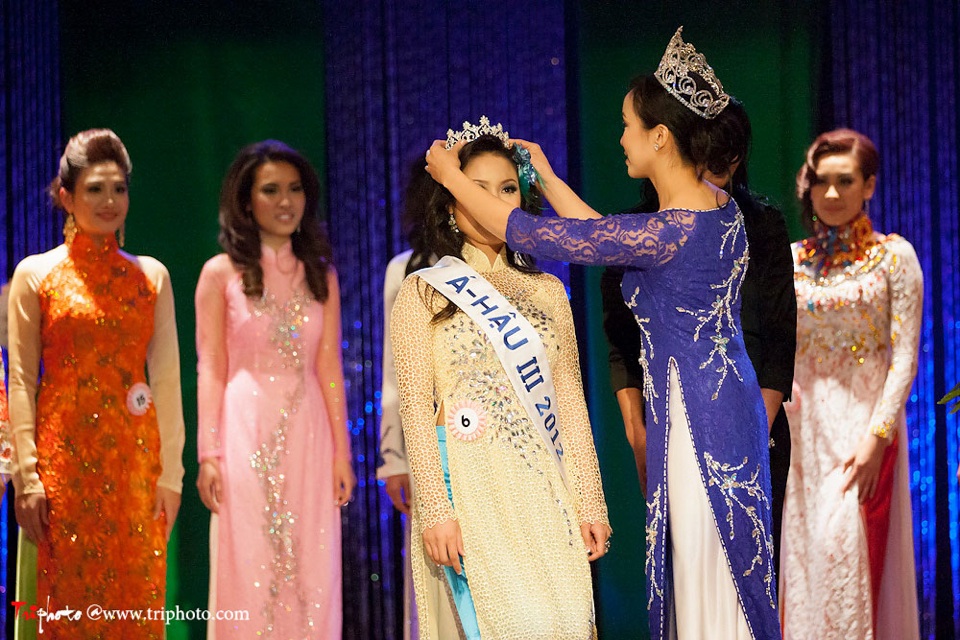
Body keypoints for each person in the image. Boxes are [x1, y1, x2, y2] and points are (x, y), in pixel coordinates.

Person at [425, 29, 781, 640]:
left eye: (626, 126)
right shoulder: (717, 211)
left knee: (708, 571)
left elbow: (541, 238)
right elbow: (606, 234)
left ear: (659, 137)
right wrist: (546, 175)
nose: (620, 138)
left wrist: (454, 180)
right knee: (725, 572)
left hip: (698, 419)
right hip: (728, 409)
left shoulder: (670, 231)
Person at [393, 124, 611, 639]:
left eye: (508, 188)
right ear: (450, 202)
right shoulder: (423, 293)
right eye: (478, 187)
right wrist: (436, 510)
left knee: (564, 624)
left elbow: (573, 407)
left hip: (544, 493)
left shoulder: (549, 291)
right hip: (469, 491)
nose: (494, 201)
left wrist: (590, 500)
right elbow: (417, 416)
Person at [600, 97, 797, 576]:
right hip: (670, 424)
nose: (720, 166)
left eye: (730, 156)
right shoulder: (637, 232)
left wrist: (750, 432)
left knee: (749, 580)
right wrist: (637, 434)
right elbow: (622, 344)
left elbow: (777, 341)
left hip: (752, 424)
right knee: (682, 575)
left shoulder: (761, 225)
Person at [7, 128, 185, 639]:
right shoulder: (35, 274)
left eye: (118, 189)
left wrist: (170, 475)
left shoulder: (152, 276)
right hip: (62, 467)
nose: (109, 201)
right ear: (65, 195)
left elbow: (168, 381)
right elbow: (21, 380)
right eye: (94, 189)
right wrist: (28, 476)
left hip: (135, 466)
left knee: (134, 605)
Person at [195, 140, 355, 638]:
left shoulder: (320, 274)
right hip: (243, 430)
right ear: (246, 201)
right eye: (270, 190)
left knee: (312, 561)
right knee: (248, 557)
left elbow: (328, 365)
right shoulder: (220, 274)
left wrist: (342, 454)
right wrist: (209, 453)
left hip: (310, 434)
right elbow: (212, 368)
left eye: (295, 189)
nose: (286, 201)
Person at [779, 129, 921, 639]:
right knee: (806, 561)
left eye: (846, 181)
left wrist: (877, 436)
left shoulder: (893, 258)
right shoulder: (791, 261)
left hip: (863, 432)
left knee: (849, 557)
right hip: (804, 437)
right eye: (822, 182)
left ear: (870, 186)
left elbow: (904, 356)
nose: (832, 194)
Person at [379, 164, 458, 639]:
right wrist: (393, 458)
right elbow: (395, 373)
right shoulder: (407, 270)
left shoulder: (515, 267)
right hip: (435, 448)